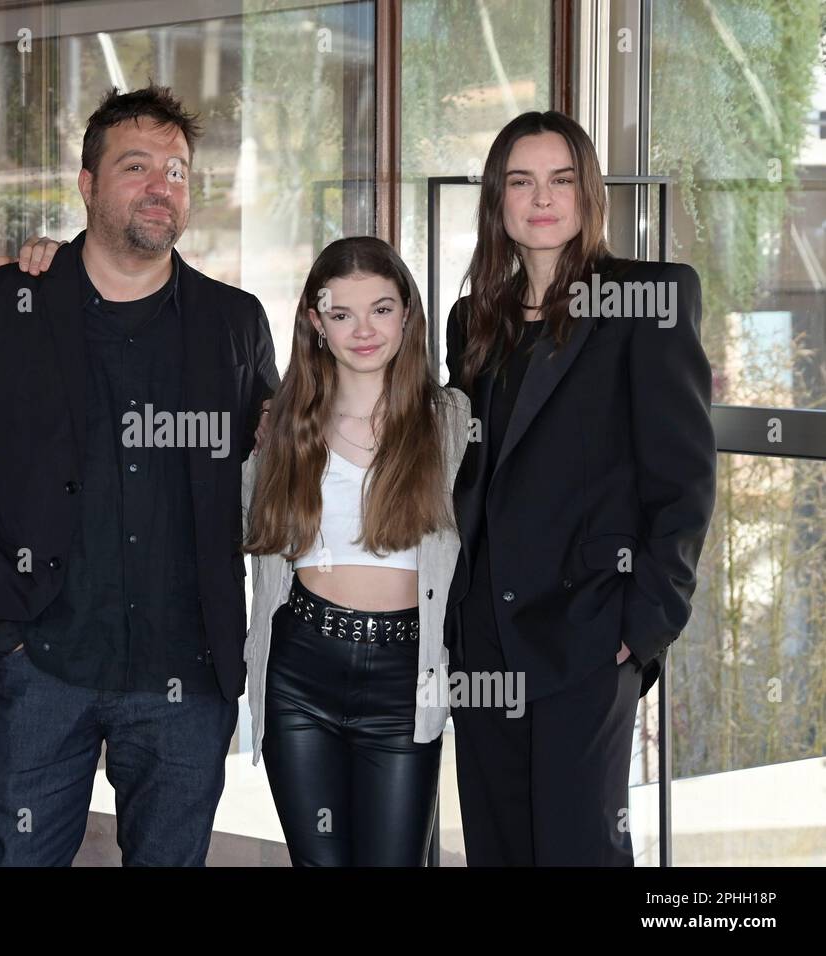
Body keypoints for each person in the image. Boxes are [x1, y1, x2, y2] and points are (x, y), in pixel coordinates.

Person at [0, 85, 279, 866]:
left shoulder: (236, 322)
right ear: (87, 185)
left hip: (186, 682)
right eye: (136, 166)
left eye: (178, 170)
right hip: (40, 668)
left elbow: (276, 474)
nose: (162, 185)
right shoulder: (6, 306)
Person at [443, 110, 717, 865]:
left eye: (562, 179)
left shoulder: (647, 300)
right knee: (498, 849)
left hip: (588, 631)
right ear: (498, 198)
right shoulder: (473, 321)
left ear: (588, 194)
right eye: (522, 181)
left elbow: (684, 479)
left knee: (578, 848)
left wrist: (643, 624)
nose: (542, 198)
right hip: (482, 638)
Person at [241, 237, 470, 865]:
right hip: (300, 673)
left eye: (381, 309)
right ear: (316, 324)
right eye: (341, 314)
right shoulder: (281, 427)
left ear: (407, 316)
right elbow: (239, 527)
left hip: (406, 675)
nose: (363, 330)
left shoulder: (451, 422)